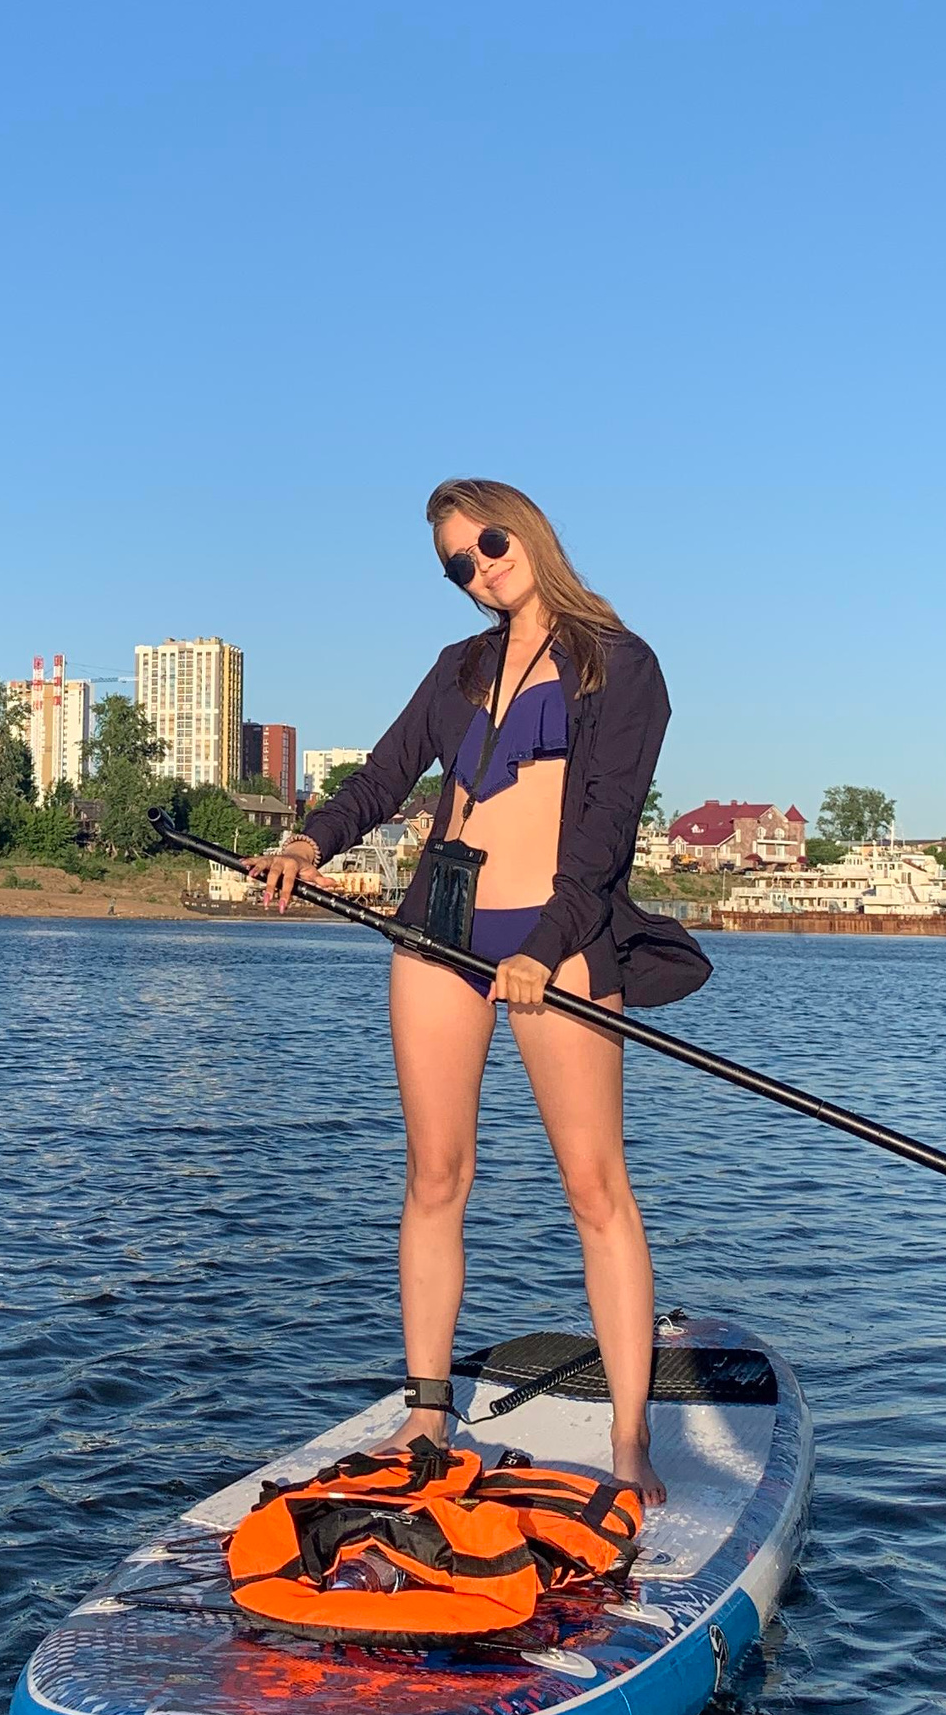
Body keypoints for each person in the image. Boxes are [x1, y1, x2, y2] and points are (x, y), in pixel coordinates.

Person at [249, 478, 708, 1501]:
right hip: (437, 933)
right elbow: (382, 779)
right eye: (457, 564)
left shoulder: (620, 663)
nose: (479, 569)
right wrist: (307, 843)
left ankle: (630, 1438)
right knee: (434, 1176)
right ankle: (425, 1409)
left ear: (528, 527)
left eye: (489, 543)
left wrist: (542, 947)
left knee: (595, 1188)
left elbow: (603, 835)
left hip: (559, 938)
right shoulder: (458, 667)